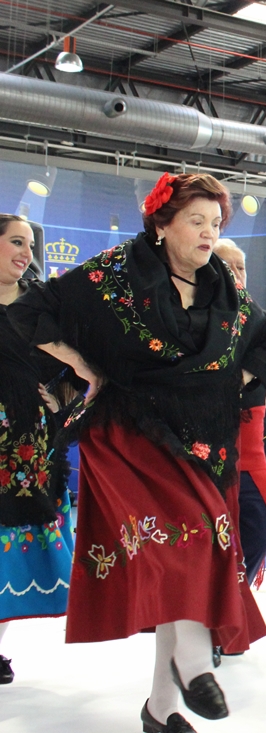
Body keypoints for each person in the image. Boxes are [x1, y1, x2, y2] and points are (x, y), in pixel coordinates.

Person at [9, 174, 266, 731]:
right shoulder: (114, 274)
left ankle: (162, 707)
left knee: (198, 550)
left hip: (201, 440)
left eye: (215, 223)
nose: (209, 233)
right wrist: (78, 362)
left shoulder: (223, 289)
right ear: (162, 225)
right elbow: (32, 310)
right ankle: (191, 663)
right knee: (183, 543)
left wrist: (239, 379)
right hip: (129, 434)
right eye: (196, 221)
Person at [0, 214, 76, 686]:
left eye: (29, 244)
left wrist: (61, 400)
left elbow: (72, 366)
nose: (25, 252)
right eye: (15, 241)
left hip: (29, 449)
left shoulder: (40, 308)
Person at [213, 239, 266, 586]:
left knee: (257, 539)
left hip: (252, 467)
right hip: (204, 466)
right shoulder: (189, 326)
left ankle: (230, 625)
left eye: (241, 267)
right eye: (227, 266)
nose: (236, 273)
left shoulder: (263, 329)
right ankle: (214, 633)